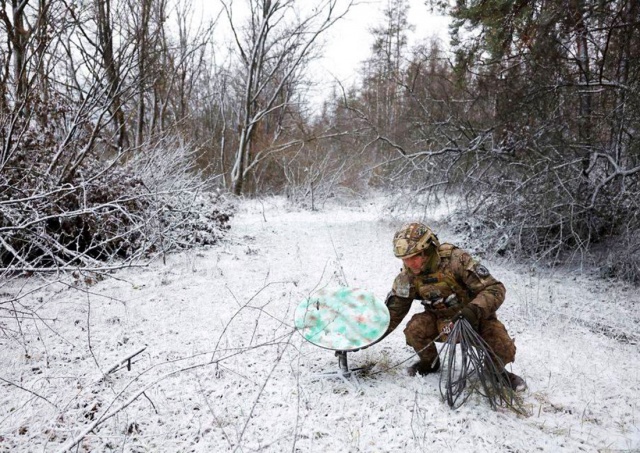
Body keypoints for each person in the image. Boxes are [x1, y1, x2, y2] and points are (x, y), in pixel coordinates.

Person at [383, 222, 526, 391]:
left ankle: (495, 372)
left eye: (415, 256)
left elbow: (495, 288)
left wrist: (473, 311)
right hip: (441, 323)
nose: (410, 263)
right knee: (415, 328)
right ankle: (430, 363)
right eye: (405, 259)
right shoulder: (407, 276)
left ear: (428, 250)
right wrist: (364, 338)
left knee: (502, 345)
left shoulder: (456, 260)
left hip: (474, 320)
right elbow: (393, 312)